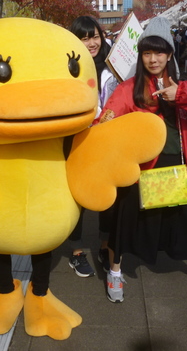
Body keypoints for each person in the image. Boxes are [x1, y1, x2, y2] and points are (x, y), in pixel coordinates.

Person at [96, 16, 187, 304]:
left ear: (170, 54)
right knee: (124, 222)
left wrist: (182, 94)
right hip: (138, 170)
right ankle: (114, 271)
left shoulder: (183, 85)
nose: (153, 59)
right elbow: (106, 123)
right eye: (147, 52)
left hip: (175, 166)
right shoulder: (128, 88)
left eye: (159, 52)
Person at [66, 16, 118, 277]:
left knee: (108, 196)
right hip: (78, 140)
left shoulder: (114, 64)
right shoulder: (66, 67)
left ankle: (104, 245)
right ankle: (76, 252)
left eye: (94, 36)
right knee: (78, 196)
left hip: (108, 141)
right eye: (84, 38)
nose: (91, 43)